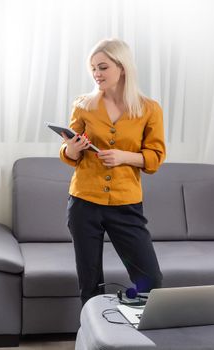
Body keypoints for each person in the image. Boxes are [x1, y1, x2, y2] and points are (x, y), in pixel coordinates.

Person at [59, 38, 166, 305]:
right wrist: (72, 149)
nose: (97, 74)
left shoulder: (149, 109)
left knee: (150, 280)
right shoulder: (83, 105)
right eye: (93, 68)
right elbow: (68, 153)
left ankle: (143, 339)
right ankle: (93, 341)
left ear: (122, 67)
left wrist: (124, 157)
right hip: (84, 202)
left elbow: (155, 158)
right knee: (90, 283)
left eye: (103, 67)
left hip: (126, 204)